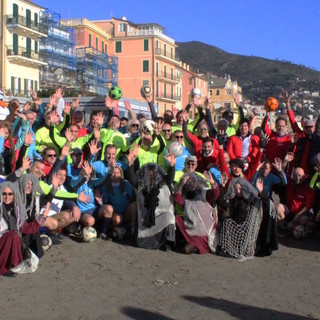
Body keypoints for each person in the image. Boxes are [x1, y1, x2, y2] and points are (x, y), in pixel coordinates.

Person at [127, 149, 176, 250]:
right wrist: (131, 164)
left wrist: (172, 166)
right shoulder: (141, 185)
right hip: (146, 218)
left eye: (153, 173)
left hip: (161, 215)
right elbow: (132, 179)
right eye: (148, 174)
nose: (151, 175)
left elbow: (170, 178)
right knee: (141, 243)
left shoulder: (163, 183)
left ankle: (168, 244)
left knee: (169, 217)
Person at [0, 181, 49, 276]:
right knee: (12, 235)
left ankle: (13, 265)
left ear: (14, 195)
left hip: (8, 244)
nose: (7, 197)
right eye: (4, 194)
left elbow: (29, 228)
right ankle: (5, 268)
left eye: (10, 194)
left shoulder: (16, 212)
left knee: (16, 237)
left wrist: (43, 216)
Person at [174, 172, 220, 254]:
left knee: (187, 249)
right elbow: (177, 198)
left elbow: (215, 194)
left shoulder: (204, 193)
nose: (191, 184)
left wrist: (212, 183)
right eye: (189, 182)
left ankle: (197, 247)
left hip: (206, 232)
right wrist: (182, 183)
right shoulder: (185, 198)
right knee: (176, 219)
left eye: (193, 181)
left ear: (197, 182)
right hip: (193, 229)